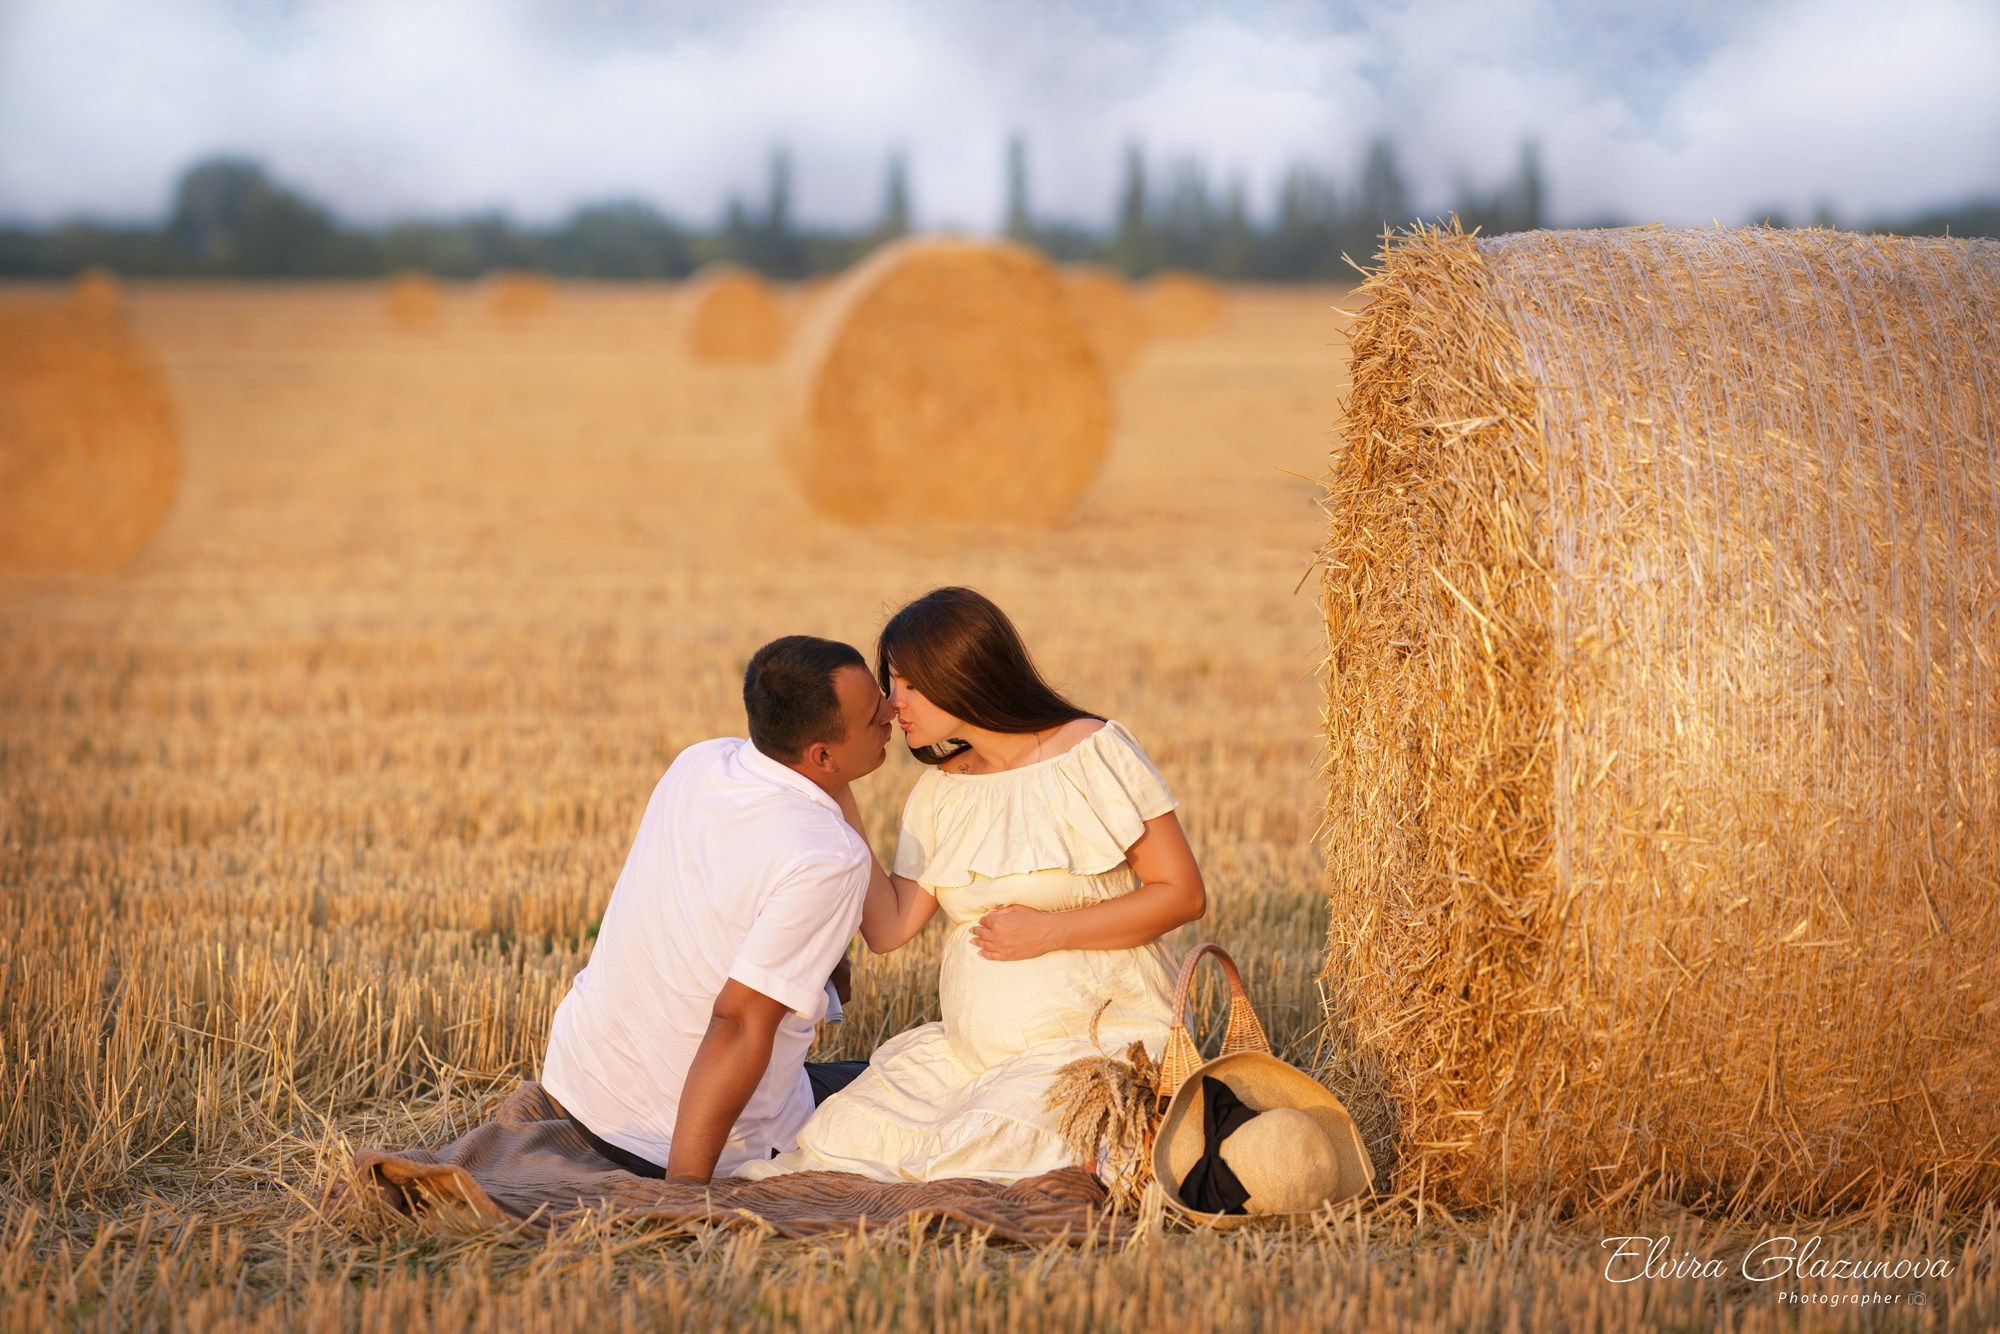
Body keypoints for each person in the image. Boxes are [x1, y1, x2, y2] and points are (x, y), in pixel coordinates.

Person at [736, 587, 1206, 1183]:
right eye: (892, 682)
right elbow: (889, 928)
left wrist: (1051, 932)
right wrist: (837, 788)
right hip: (971, 1059)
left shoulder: (1090, 751)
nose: (892, 704)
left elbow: (1182, 893)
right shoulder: (941, 789)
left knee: (999, 1142)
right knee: (840, 1134)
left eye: (908, 684)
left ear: (960, 675)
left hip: (1092, 1045)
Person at [539, 634, 893, 1182]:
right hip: (684, 1143)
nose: (892, 712)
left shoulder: (700, 761)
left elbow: (719, 907)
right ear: (823, 755)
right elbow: (738, 1024)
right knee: (922, 1091)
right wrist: (683, 1195)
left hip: (578, 1092)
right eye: (874, 716)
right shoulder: (830, 854)